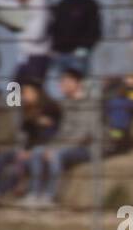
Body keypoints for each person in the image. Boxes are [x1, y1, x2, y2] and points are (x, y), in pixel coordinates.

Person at [25, 69, 96, 207]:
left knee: (56, 155)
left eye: (65, 81)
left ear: (77, 83)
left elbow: (84, 135)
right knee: (38, 152)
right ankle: (34, 194)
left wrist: (55, 150)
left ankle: (50, 196)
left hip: (87, 147)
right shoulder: (66, 104)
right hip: (68, 145)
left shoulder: (90, 103)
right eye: (61, 82)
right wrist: (50, 147)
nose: (61, 85)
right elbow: (62, 132)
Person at [48, 0, 102, 79]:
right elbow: (54, 29)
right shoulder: (61, 5)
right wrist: (53, 50)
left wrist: (85, 48)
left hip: (79, 56)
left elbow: (95, 29)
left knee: (80, 88)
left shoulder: (88, 3)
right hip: (60, 56)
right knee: (65, 88)